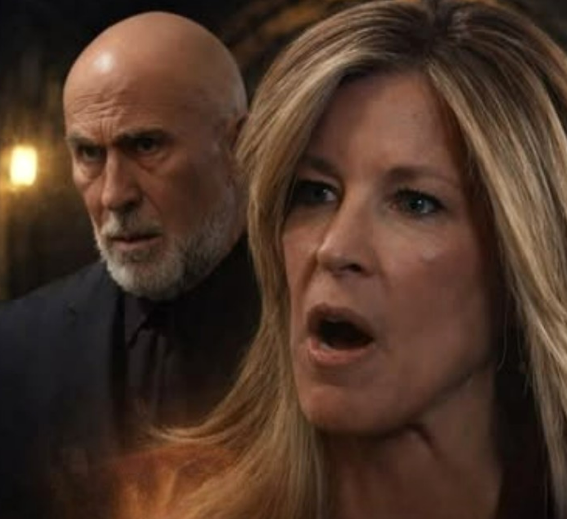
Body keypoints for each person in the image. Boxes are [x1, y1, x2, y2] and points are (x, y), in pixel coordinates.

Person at [93, 0, 567, 518]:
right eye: (315, 193)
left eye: (416, 203)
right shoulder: (160, 503)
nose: (335, 248)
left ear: (522, 250)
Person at [0, 11, 259, 519]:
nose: (114, 195)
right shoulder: (18, 346)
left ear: (239, 145)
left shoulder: (318, 333)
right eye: (88, 154)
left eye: (145, 146)